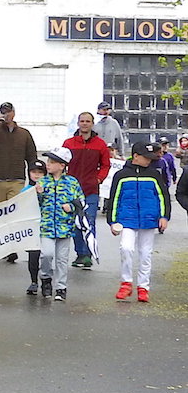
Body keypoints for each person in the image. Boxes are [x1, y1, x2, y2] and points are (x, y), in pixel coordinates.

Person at [107, 142, 171, 303]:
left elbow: (163, 196)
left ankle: (143, 287)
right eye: (146, 157)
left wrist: (164, 216)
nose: (149, 160)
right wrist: (112, 221)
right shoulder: (121, 175)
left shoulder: (154, 174)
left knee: (145, 253)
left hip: (149, 219)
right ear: (136, 156)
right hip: (127, 218)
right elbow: (114, 198)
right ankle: (126, 283)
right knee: (126, 248)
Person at [62, 112, 110, 269]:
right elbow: (61, 162)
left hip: (91, 190)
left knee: (89, 222)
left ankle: (88, 254)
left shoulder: (100, 144)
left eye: (87, 121)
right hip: (72, 191)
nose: (84, 124)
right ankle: (80, 254)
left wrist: (99, 179)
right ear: (78, 123)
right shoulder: (69, 143)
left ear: (92, 123)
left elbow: (105, 165)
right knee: (75, 223)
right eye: (82, 121)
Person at [34, 149, 83, 301]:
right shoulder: (42, 182)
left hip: (65, 226)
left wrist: (72, 207)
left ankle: (61, 287)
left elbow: (81, 201)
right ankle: (46, 279)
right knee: (47, 254)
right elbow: (34, 206)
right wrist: (39, 194)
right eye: (48, 162)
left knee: (62, 259)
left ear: (62, 165)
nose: (48, 165)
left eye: (52, 162)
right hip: (47, 226)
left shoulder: (72, 182)